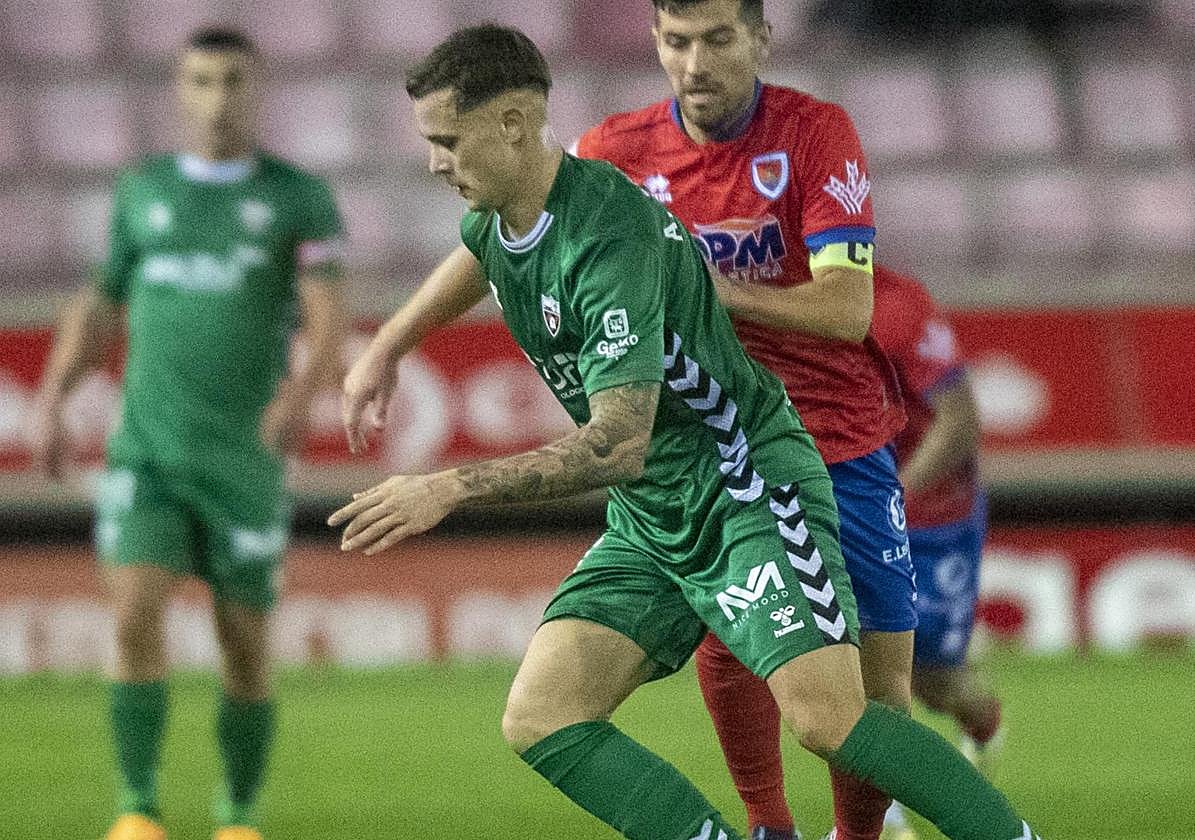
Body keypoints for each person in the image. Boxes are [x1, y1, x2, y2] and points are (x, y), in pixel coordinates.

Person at [332, 23, 1042, 840]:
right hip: (654, 511)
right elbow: (482, 256)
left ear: (515, 123)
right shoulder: (499, 220)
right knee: (542, 713)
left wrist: (451, 486)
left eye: (447, 142)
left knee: (830, 718)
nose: (434, 163)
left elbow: (614, 444)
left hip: (744, 485)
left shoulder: (610, 232)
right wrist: (389, 343)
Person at [574, 2, 914, 838]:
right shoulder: (611, 153)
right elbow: (517, 240)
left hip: (838, 441)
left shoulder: (813, 131)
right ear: (655, 44)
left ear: (760, 39)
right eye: (676, 42)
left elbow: (846, 310)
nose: (694, 62)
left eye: (717, 40)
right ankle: (768, 827)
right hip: (723, 449)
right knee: (731, 650)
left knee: (878, 697)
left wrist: (696, 284)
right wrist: (395, 341)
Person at [28, 27, 347, 840]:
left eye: (233, 80)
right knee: (134, 614)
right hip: (148, 452)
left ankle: (236, 817)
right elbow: (101, 301)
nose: (217, 97)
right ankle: (137, 809)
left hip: (243, 461)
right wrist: (55, 396)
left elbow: (327, 311)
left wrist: (301, 392)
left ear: (257, 88)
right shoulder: (142, 191)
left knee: (241, 643)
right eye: (201, 80)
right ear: (180, 89)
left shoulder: (296, 198)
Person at [868, 268, 1004, 840]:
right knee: (857, 669)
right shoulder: (779, 301)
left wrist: (891, 495)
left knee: (935, 684)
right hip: (857, 511)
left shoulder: (896, 303)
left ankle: (986, 724)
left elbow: (960, 421)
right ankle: (885, 819)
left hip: (933, 519)